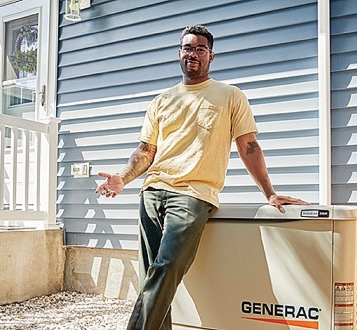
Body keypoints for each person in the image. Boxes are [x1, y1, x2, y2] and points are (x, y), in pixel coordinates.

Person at [96, 24, 309, 330]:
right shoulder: (162, 100)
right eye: (187, 48)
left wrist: (269, 192)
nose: (192, 54)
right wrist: (122, 179)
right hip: (152, 192)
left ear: (211, 56)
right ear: (179, 54)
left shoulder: (230, 96)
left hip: (193, 195)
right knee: (153, 277)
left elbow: (248, 146)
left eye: (199, 49)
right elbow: (145, 151)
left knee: (166, 269)